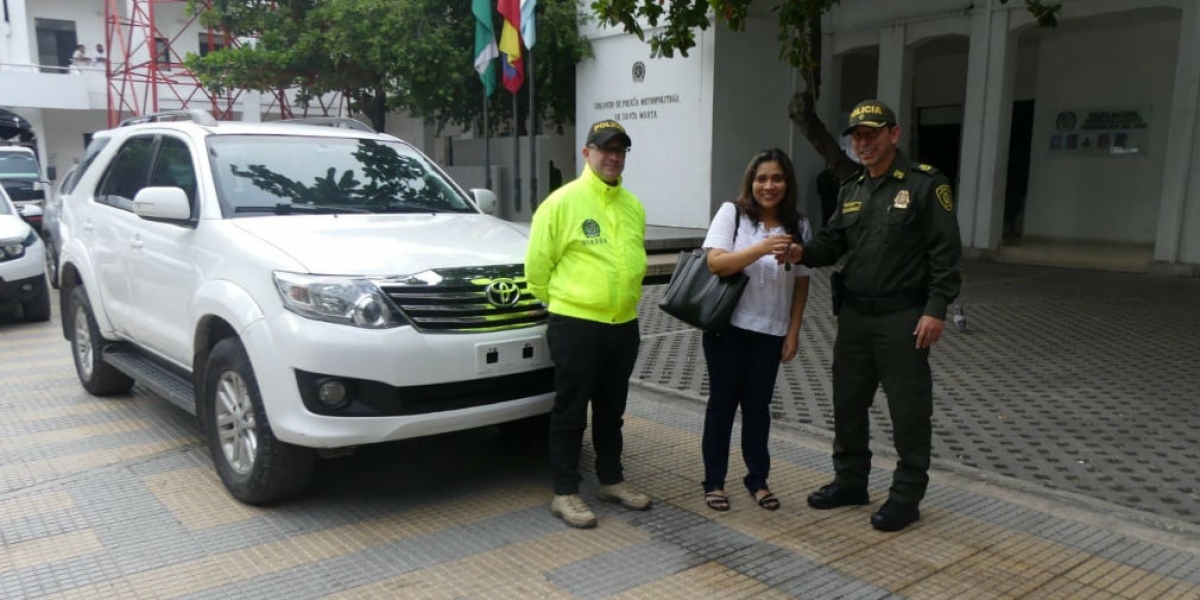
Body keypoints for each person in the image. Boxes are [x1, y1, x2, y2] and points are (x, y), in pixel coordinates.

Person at [790, 99, 962, 532]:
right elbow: (831, 243)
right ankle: (850, 481)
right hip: (854, 316)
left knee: (908, 410)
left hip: (903, 317)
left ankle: (905, 497)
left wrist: (936, 310)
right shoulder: (851, 189)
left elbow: (945, 254)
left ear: (894, 134)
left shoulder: (925, 185)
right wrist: (800, 251)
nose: (863, 143)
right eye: (857, 136)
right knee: (848, 403)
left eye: (871, 133)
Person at [524, 120, 651, 529]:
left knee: (612, 410)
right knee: (570, 410)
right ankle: (565, 492)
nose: (613, 157)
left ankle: (611, 480)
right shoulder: (561, 203)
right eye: (604, 149)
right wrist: (563, 303)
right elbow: (536, 268)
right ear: (586, 153)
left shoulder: (632, 205)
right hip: (577, 324)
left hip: (623, 324)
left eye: (620, 150)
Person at [699, 148, 812, 513]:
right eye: (761, 178)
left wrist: (792, 332)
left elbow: (801, 284)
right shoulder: (732, 214)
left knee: (758, 408)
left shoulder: (799, 225)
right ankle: (714, 481)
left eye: (777, 178)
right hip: (727, 328)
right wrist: (762, 247)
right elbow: (716, 262)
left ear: (787, 183)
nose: (769, 185)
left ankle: (758, 480)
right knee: (722, 406)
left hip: (771, 331)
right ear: (751, 181)